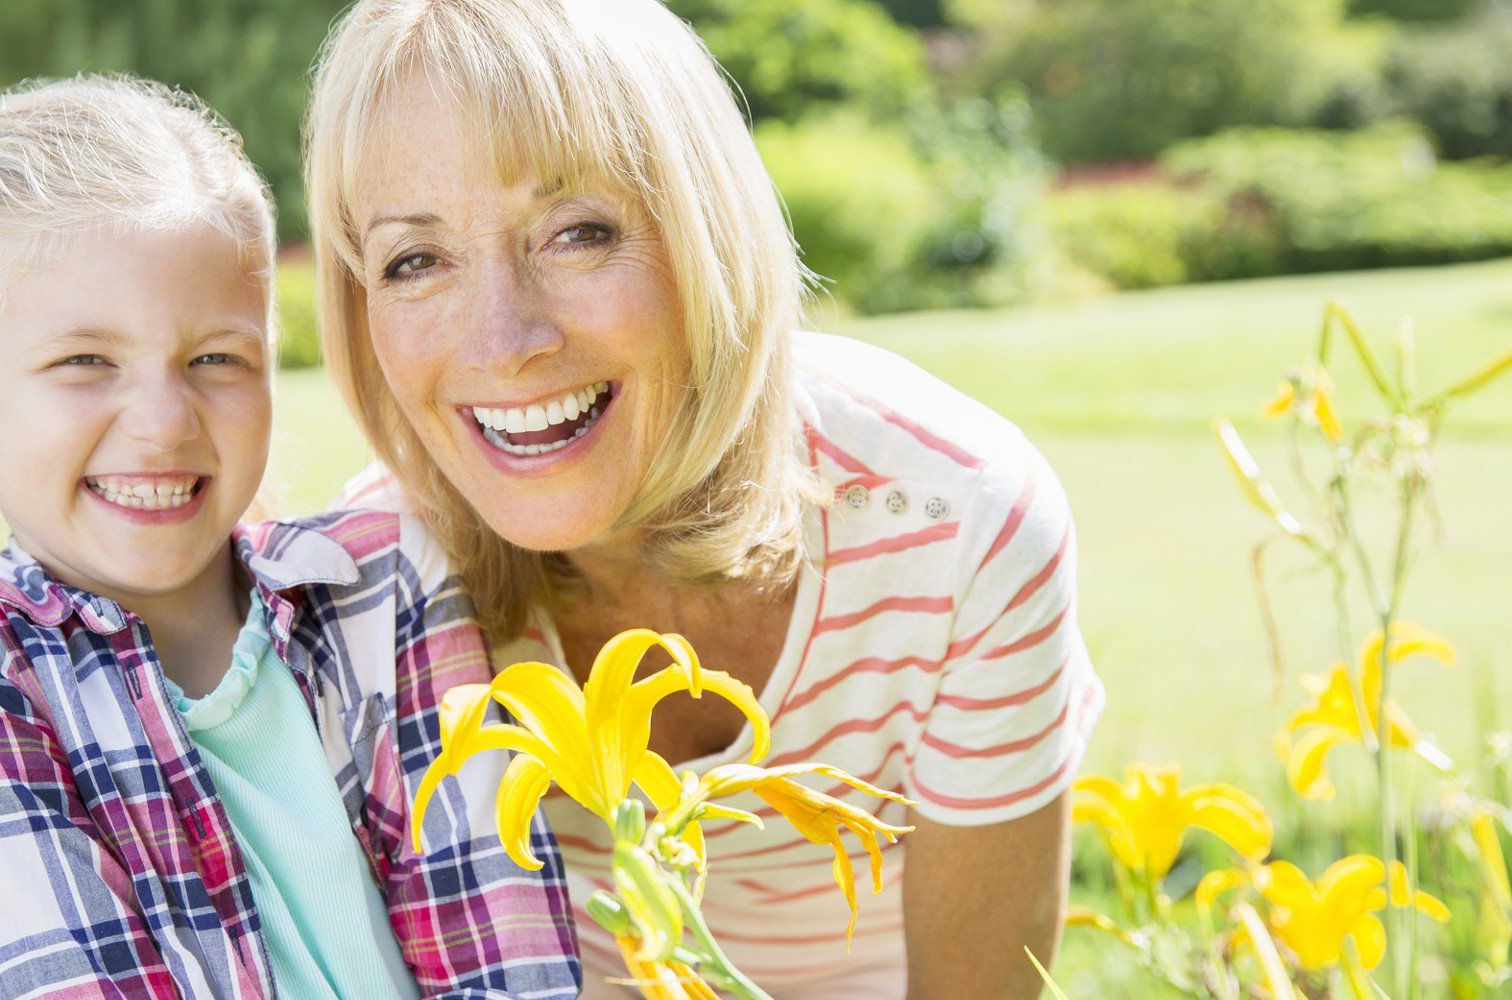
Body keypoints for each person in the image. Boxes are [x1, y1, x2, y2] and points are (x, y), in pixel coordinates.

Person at [303, 1, 1105, 996]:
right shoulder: (372, 593)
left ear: (708, 234)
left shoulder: (959, 525)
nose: (503, 340)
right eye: (414, 260)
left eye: (577, 233)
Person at [0, 75, 581, 998]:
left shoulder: (386, 582)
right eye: (84, 362)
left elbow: (510, 957)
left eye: (217, 357)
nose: (165, 421)